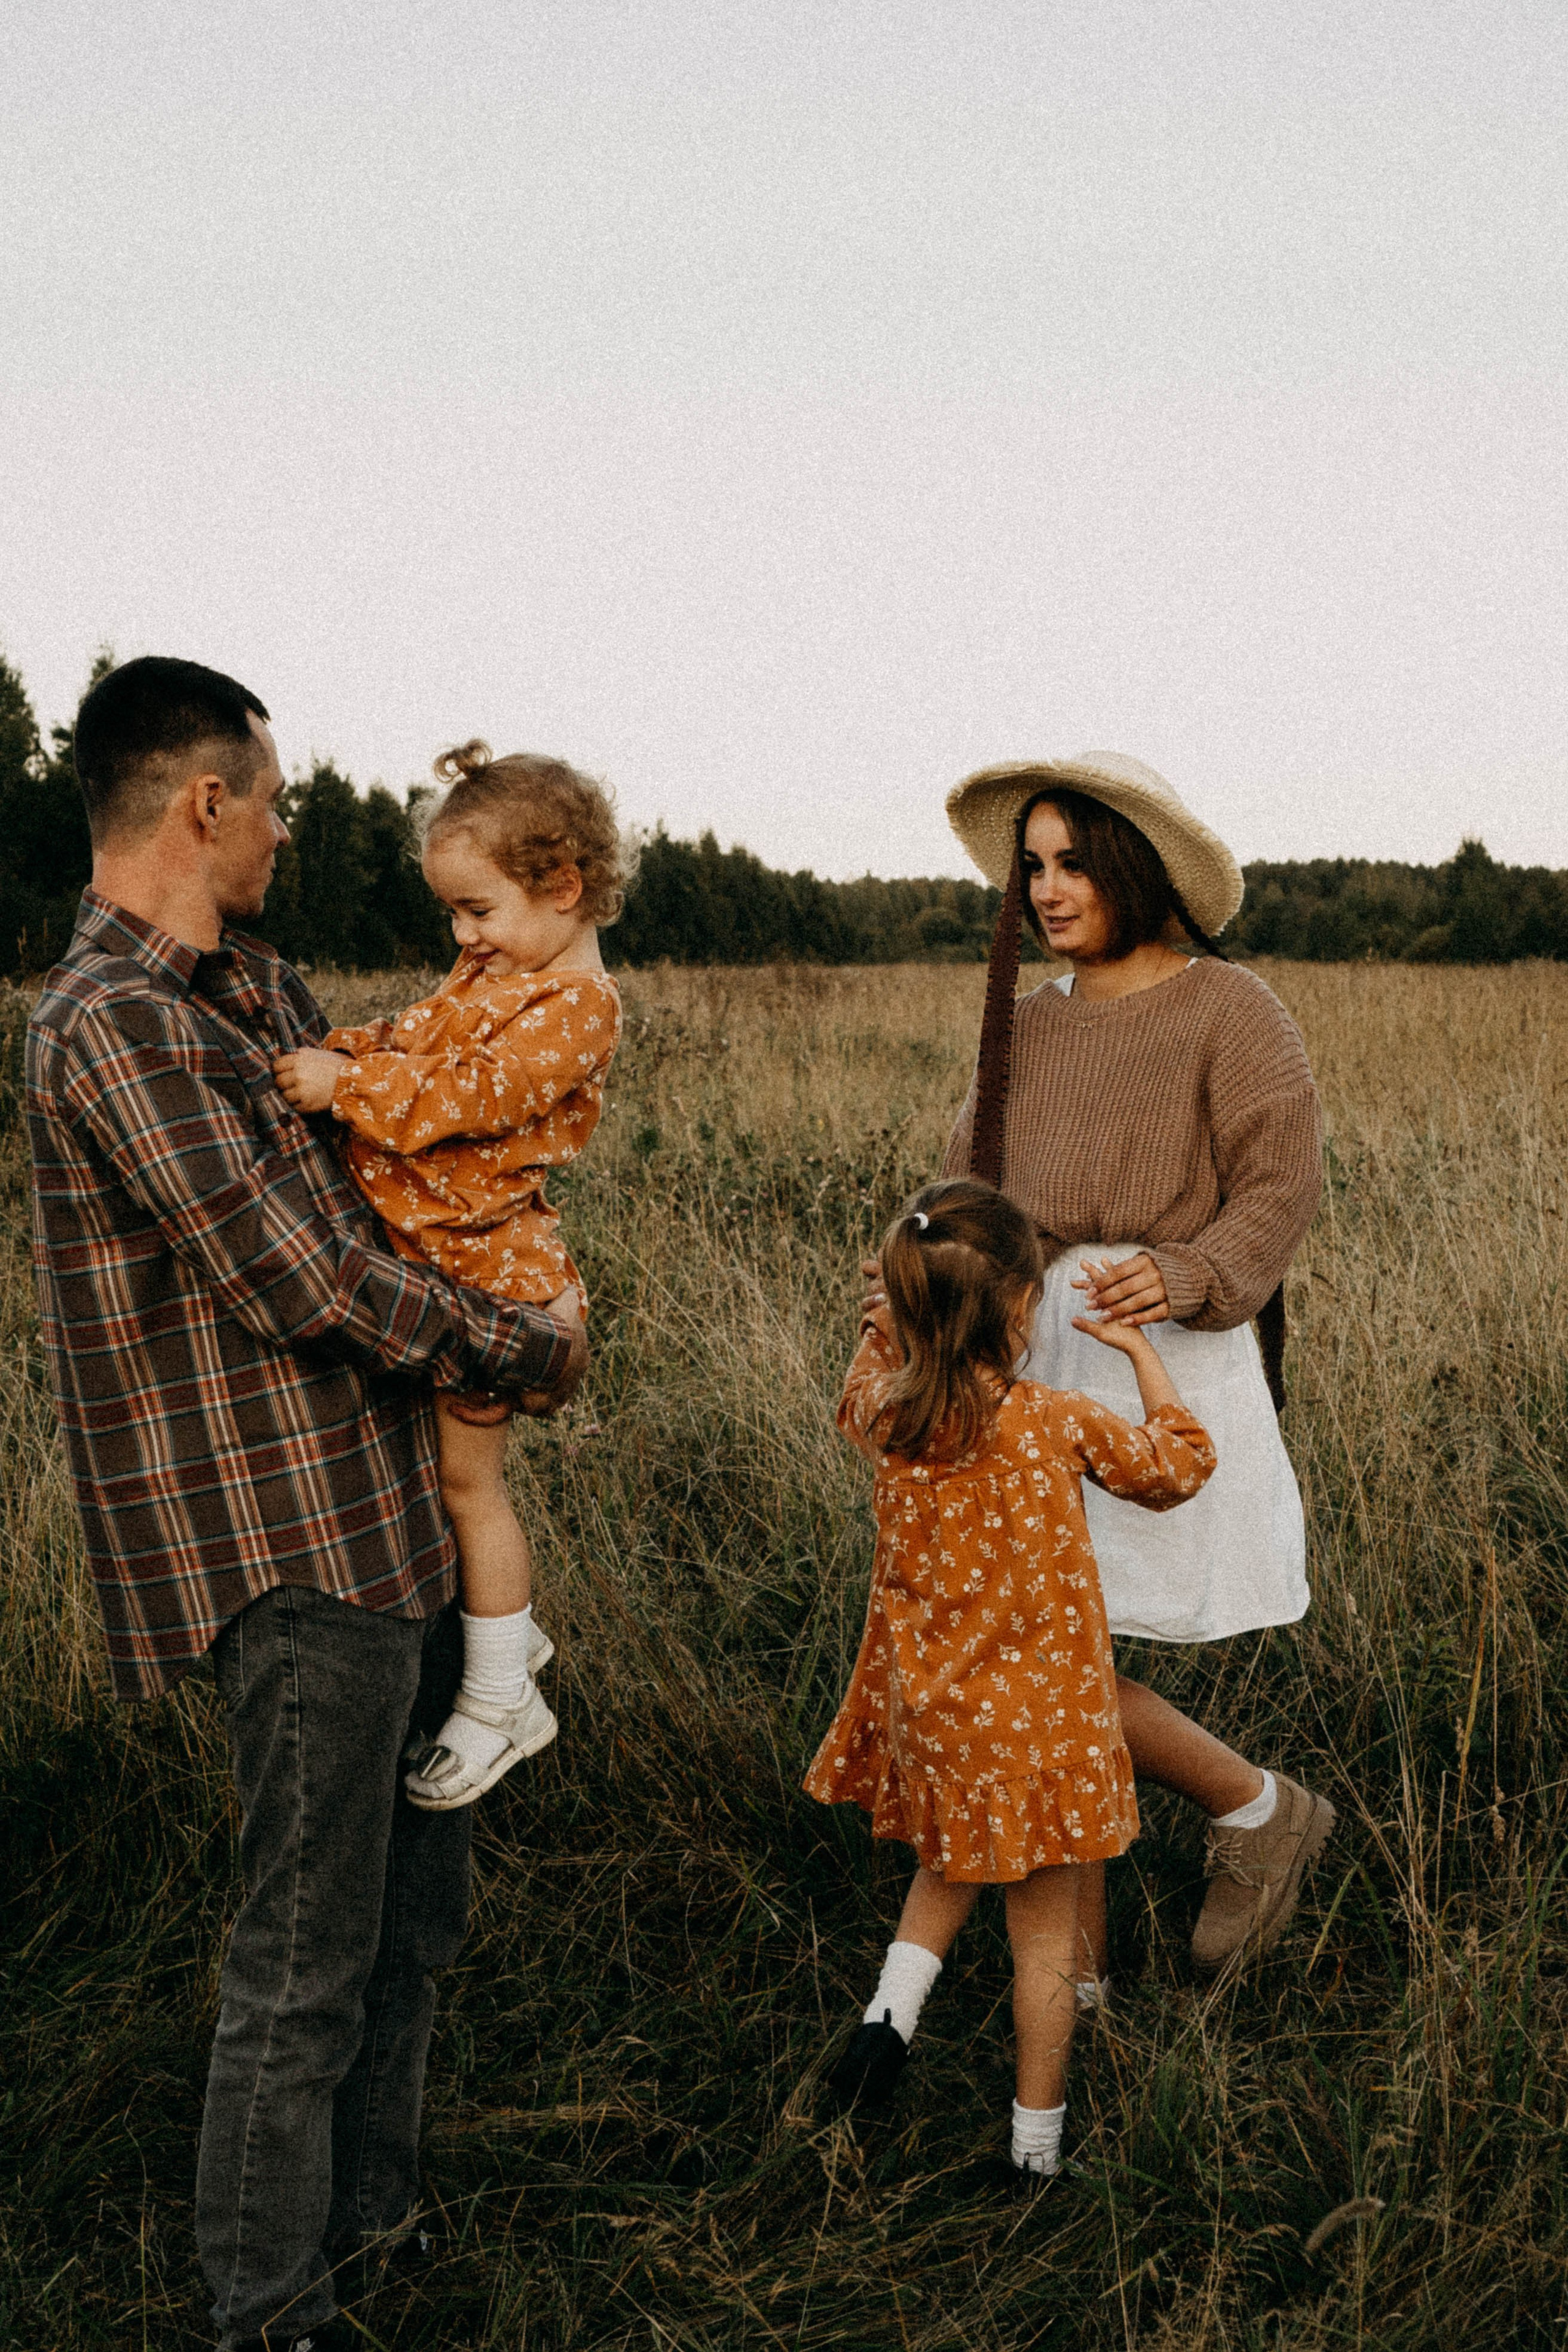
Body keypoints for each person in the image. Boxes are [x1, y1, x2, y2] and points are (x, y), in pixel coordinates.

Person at [26, 658, 586, 2352]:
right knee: (302, 1957)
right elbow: (312, 1280)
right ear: (205, 803)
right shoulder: (111, 1025)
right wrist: (529, 1344)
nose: (283, 827)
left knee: (410, 1929)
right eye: (269, 799)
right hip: (283, 1555)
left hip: (392, 1516)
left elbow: (413, 1162)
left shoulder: (256, 992)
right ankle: (265, 2311)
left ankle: (375, 2236)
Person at [937, 750, 1335, 1991]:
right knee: (1047, 1655)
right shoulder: (1028, 1020)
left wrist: (1192, 1273)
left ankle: (1247, 1816)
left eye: (1071, 864)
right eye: (1032, 868)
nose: (1046, 891)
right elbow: (964, 1189)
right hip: (1034, 1352)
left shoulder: (1228, 1006)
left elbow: (1279, 1182)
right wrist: (921, 1288)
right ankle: (1095, 1963)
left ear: (1132, 870)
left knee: (1058, 1662)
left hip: (1157, 1349)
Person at [805, 1180, 1215, 2182]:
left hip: (939, 1718)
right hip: (1047, 1731)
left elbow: (866, 1379)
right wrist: (1144, 1356)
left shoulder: (886, 1415)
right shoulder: (1050, 1423)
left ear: (908, 1308)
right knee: (1047, 1952)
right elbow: (1179, 1467)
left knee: (944, 1867)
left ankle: (885, 2022)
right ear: (1024, 1309)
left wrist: (888, 1329)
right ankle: (1035, 2156)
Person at [273, 739, 628, 1810]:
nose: (463, 937)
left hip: (487, 1277)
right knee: (434, 1483)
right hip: (435, 1262)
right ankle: (501, 1631)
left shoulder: (579, 1008)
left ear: (561, 888)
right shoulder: (496, 969)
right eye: (455, 916)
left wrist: (346, 1088)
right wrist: (340, 1045)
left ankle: (498, 1698)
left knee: (474, 1488)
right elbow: (419, 1035)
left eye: (477, 910)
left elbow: (467, 1094)